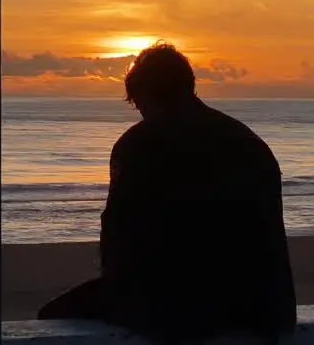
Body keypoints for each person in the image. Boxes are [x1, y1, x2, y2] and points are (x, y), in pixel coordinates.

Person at [39, 43, 297, 343]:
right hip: (264, 310)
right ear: (188, 87)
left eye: (137, 104)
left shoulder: (138, 145)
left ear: (142, 97)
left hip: (179, 311)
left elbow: (118, 240)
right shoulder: (250, 143)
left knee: (50, 316)